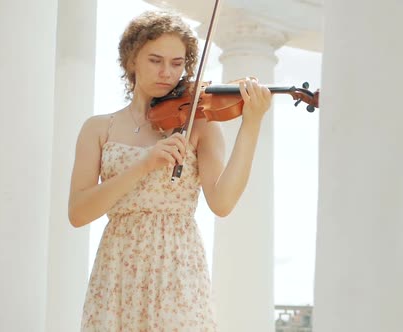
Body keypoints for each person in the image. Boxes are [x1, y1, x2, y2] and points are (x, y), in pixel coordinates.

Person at [68, 10, 272, 331]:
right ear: (131, 59)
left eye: (177, 63)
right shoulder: (98, 128)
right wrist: (145, 163)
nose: (167, 72)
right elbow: (78, 212)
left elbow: (222, 202)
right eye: (155, 60)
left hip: (177, 268)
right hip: (118, 267)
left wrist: (252, 123)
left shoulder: (199, 124)